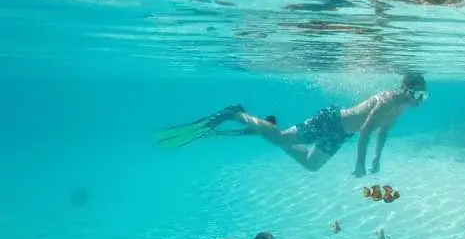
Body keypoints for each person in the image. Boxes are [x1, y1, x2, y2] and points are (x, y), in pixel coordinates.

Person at [156, 72, 428, 175]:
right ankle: (236, 113)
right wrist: (360, 163)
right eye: (417, 94)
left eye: (424, 97)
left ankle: (267, 129)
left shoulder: (402, 107)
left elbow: (384, 133)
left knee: (311, 165)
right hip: (331, 122)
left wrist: (377, 160)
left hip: (339, 136)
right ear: (405, 88)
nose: (420, 100)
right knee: (283, 139)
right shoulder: (387, 101)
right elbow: (367, 130)